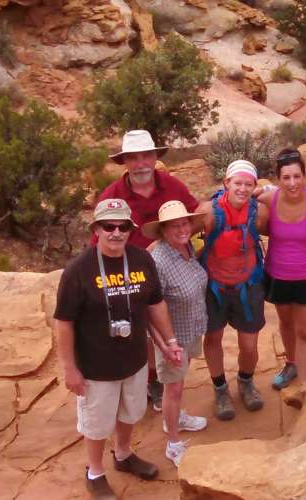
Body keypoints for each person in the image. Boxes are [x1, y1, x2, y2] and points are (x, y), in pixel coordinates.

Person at [54, 199, 184, 500]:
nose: (116, 233)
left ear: (131, 229)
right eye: (108, 226)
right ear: (96, 229)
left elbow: (155, 303)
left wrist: (170, 341)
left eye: (123, 226)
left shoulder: (141, 260)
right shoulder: (78, 271)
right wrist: (69, 368)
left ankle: (123, 455)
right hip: (95, 366)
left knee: (131, 412)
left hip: (135, 360)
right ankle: (95, 472)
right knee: (97, 423)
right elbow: (63, 322)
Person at [95, 130, 202, 414]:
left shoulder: (170, 185)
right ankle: (148, 382)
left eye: (146, 156)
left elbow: (196, 212)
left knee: (166, 330)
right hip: (131, 275)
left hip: (169, 272)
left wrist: (187, 247)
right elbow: (99, 242)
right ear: (125, 162)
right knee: (140, 335)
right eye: (134, 158)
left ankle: (157, 383)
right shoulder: (113, 196)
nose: (141, 163)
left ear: (155, 158)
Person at [141, 201, 209, 467]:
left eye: (185, 223)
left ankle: (177, 417)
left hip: (190, 328)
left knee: (178, 383)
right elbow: (150, 308)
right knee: (173, 387)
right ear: (163, 231)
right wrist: (165, 344)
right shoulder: (159, 260)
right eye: (174, 225)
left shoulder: (187, 247)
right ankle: (172, 443)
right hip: (172, 337)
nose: (181, 229)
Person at [200, 160, 266, 421]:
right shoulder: (208, 211)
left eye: (248, 184)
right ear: (226, 183)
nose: (242, 188)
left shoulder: (259, 212)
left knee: (249, 344)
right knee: (213, 338)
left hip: (247, 284)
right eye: (237, 182)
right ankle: (220, 389)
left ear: (254, 186)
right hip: (214, 285)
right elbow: (183, 236)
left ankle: (245, 381)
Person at [256, 149, 306, 389]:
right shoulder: (270, 199)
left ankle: (305, 385)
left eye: (297, 176)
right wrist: (263, 190)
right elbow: (243, 196)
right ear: (278, 180)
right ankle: (291, 363)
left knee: (304, 331)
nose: (292, 183)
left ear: (304, 176)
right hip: (277, 274)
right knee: (285, 324)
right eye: (286, 178)